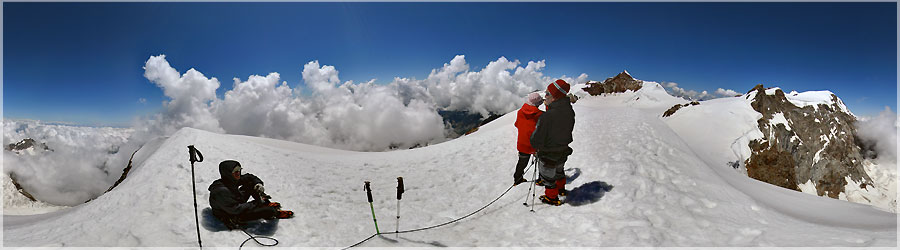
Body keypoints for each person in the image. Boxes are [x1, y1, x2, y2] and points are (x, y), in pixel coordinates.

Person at [209, 160, 293, 229]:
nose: (238, 173)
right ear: (227, 173)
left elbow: (249, 177)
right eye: (235, 171)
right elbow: (235, 210)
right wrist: (255, 203)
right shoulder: (221, 191)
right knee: (269, 211)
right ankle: (274, 213)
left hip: (234, 202)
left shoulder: (231, 179)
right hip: (232, 215)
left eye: (239, 170)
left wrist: (258, 184)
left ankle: (264, 204)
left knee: (250, 183)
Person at [530, 79, 575, 206]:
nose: (545, 96)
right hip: (563, 151)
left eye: (548, 93)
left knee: (548, 178)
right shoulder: (569, 111)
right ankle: (561, 190)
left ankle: (551, 198)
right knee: (560, 172)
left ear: (555, 96)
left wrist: (535, 146)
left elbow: (536, 139)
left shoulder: (547, 116)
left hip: (548, 154)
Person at [513, 92, 545, 185]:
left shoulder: (520, 112)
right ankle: (541, 179)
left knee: (522, 162)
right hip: (536, 144)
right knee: (542, 162)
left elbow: (517, 124)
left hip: (522, 143)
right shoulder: (541, 114)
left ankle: (517, 179)